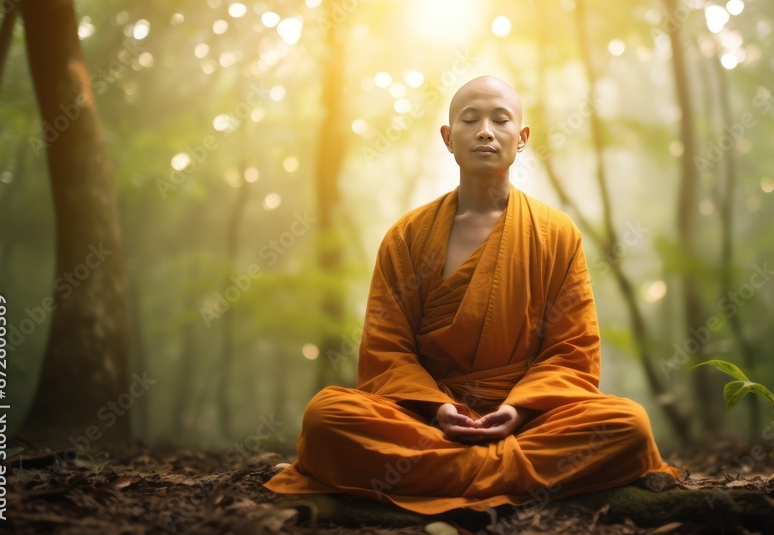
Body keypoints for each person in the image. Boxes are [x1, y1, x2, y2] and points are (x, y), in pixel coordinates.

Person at [264, 75, 678, 515]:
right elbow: (387, 350)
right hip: (427, 421)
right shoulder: (406, 236)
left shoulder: (556, 234)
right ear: (448, 138)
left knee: (627, 424)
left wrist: (517, 410)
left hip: (527, 419)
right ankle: (510, 477)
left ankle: (435, 478)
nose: (485, 130)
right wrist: (439, 408)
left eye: (501, 120)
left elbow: (572, 350)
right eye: (470, 119)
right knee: (327, 417)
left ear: (521, 139)